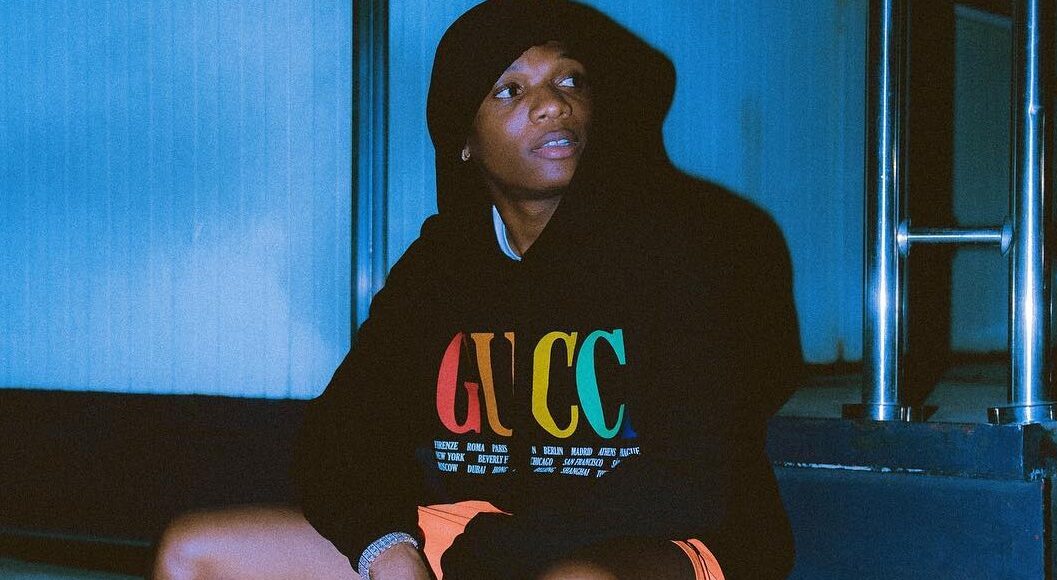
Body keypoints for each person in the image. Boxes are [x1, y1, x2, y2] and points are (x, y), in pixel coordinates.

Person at [153, 1, 803, 578]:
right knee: (195, 554)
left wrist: (501, 553)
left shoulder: (688, 245)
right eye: (510, 90)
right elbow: (340, 436)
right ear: (463, 141)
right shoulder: (441, 266)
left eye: (569, 80)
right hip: (477, 535)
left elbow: (693, 476)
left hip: (658, 543)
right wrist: (389, 550)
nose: (552, 104)